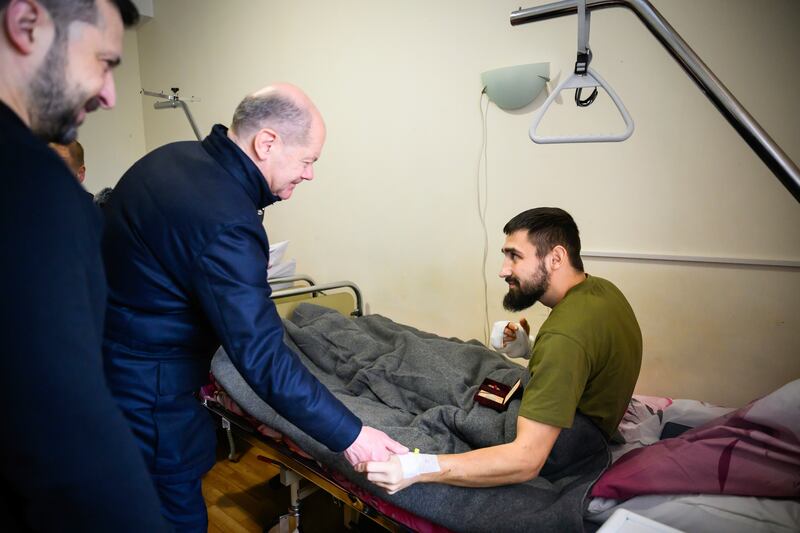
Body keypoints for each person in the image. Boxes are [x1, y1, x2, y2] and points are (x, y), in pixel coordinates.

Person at [101, 83, 408, 531]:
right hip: (149, 394)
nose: (310, 175)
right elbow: (263, 358)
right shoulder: (226, 220)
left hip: (108, 364)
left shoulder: (169, 159)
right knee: (172, 514)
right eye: (308, 160)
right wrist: (353, 436)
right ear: (266, 143)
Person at [0, 0, 170, 530]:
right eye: (103, 61)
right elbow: (66, 438)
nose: (109, 94)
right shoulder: (30, 189)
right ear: (26, 24)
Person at [358, 207, 642, 492]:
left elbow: (525, 460)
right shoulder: (601, 292)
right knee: (452, 353)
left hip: (567, 443)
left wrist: (419, 468)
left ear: (556, 258)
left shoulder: (564, 336)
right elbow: (588, 358)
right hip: (586, 423)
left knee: (407, 366)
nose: (503, 270)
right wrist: (529, 349)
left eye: (514, 256)